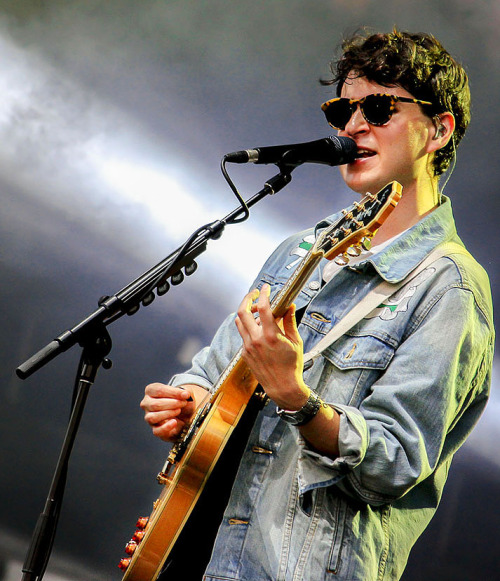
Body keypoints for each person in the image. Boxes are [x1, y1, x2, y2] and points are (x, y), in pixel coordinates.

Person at [140, 29, 494, 581]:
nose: (354, 127)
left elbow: (394, 463)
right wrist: (192, 402)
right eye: (341, 110)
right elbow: (213, 371)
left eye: (378, 107)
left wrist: (294, 397)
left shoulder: (450, 288)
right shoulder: (299, 251)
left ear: (438, 131)